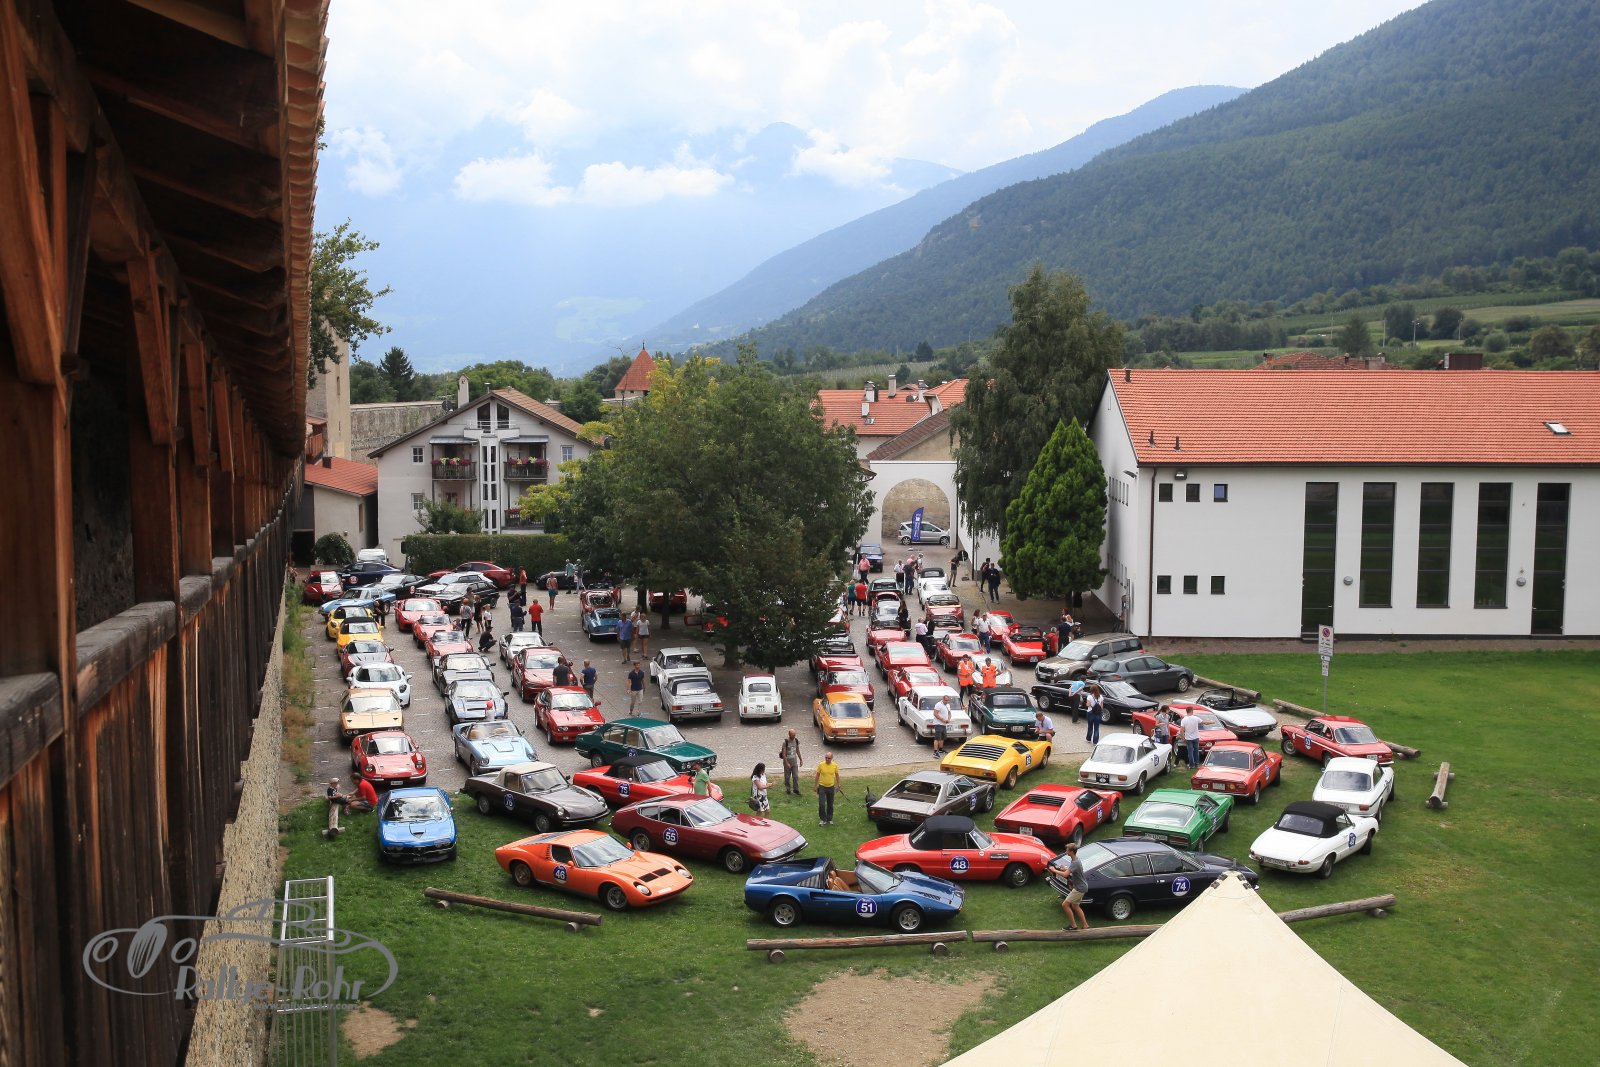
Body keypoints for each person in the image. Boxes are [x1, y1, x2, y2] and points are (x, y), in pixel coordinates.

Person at [1051, 841, 1091, 931]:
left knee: (1065, 905)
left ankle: (1073, 926)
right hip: (1081, 887)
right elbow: (1072, 871)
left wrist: (1054, 870)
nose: (1066, 852)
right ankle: (1085, 925)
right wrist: (1065, 869)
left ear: (1071, 852)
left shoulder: (1075, 862)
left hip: (1079, 888)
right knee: (1075, 906)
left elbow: (1065, 875)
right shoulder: (1075, 859)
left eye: (1067, 850)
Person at [814, 751, 840, 826]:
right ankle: (823, 819)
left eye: (828, 758)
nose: (827, 759)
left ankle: (829, 818)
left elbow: (837, 775)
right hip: (822, 787)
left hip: (831, 787)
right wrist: (815, 785)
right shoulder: (821, 765)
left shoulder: (835, 765)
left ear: (831, 758)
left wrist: (838, 785)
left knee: (830, 804)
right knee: (822, 804)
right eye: (826, 758)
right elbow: (817, 775)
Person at [779, 730, 804, 795]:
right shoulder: (785, 742)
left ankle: (796, 789)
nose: (794, 736)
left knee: (795, 776)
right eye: (793, 735)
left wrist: (801, 759)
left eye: (794, 735)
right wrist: (786, 763)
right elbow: (784, 754)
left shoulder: (796, 741)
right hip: (787, 762)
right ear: (789, 734)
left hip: (794, 762)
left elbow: (797, 750)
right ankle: (788, 789)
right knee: (787, 777)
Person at [1180, 706, 1202, 770]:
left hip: (1188, 738)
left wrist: (1183, 738)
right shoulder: (1196, 718)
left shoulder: (1184, 720)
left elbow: (1181, 730)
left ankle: (1191, 765)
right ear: (1192, 711)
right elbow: (1204, 722)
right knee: (1196, 751)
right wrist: (1211, 722)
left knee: (1190, 752)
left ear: (1187, 711)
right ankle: (1197, 764)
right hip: (1196, 737)